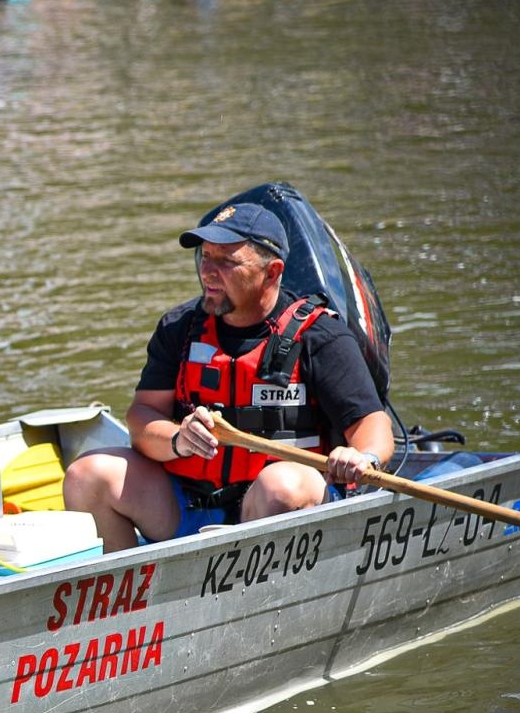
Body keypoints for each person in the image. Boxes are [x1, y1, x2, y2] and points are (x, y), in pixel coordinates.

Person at [62, 203, 394, 552]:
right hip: (191, 503)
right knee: (87, 477)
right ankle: (131, 598)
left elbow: (373, 425)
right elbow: (142, 418)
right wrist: (178, 439)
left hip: (278, 505)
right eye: (205, 257)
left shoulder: (321, 337)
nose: (208, 272)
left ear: (272, 272)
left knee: (281, 487)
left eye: (227, 262)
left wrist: (363, 458)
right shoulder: (180, 328)